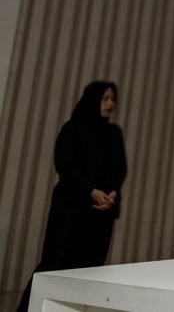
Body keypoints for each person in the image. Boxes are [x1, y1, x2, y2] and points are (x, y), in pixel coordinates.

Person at [17, 82, 127, 312]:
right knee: (54, 266)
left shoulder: (114, 133)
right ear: (92, 99)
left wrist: (112, 193)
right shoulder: (73, 129)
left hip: (101, 216)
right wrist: (92, 192)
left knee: (87, 273)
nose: (110, 103)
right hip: (71, 212)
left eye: (112, 99)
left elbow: (120, 170)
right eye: (105, 98)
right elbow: (65, 165)